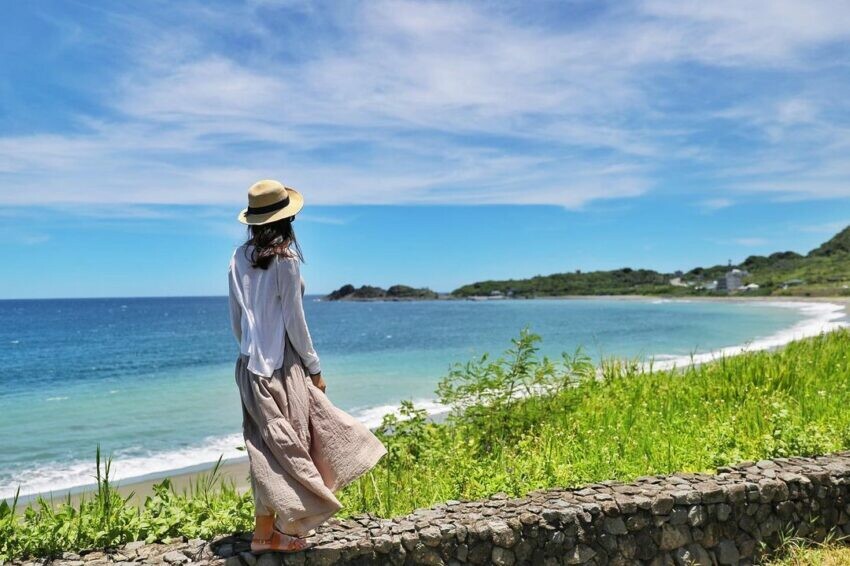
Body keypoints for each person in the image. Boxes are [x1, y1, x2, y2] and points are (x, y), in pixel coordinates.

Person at [228, 179, 386, 553]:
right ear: (288, 218)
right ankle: (289, 531)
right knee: (294, 446)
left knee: (266, 448)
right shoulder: (285, 259)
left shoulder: (237, 257)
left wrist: (251, 351)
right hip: (284, 367)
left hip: (250, 368)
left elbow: (236, 320)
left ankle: (263, 531)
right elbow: (295, 323)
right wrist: (314, 369)